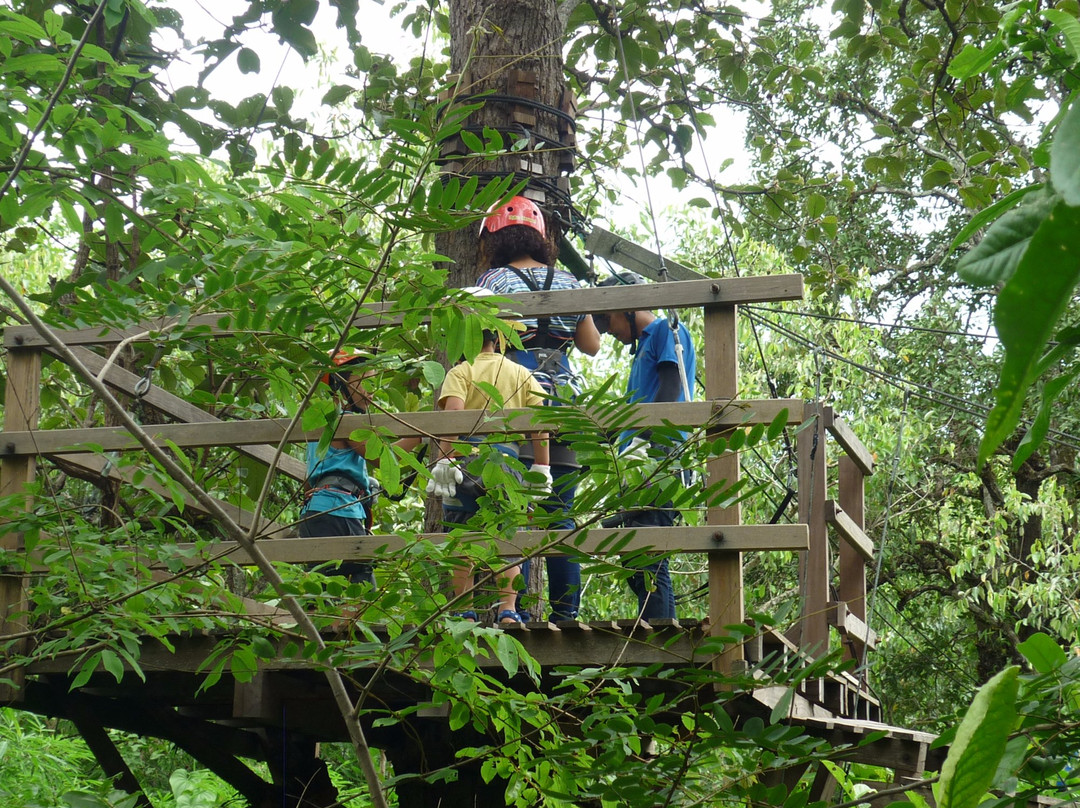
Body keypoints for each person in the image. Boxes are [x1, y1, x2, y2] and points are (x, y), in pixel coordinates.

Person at [474, 195, 600, 622]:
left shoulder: (492, 281)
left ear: (497, 239)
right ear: (541, 239)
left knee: (516, 508)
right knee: (559, 512)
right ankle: (567, 614)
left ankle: (516, 613)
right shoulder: (568, 281)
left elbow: (482, 343)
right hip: (563, 399)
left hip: (514, 396)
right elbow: (591, 345)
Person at [427, 288, 553, 624]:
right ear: (498, 337)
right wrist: (542, 466)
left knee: (461, 536)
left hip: (466, 461)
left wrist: (445, 459)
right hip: (507, 463)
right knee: (505, 536)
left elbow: (454, 416)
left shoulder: (460, 372)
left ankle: (464, 609)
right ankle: (507, 609)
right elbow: (539, 422)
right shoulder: (521, 374)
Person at [591, 271, 697, 621]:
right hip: (638, 458)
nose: (609, 332)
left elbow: (670, 388)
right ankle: (653, 627)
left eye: (608, 320)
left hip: (659, 454)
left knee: (648, 554)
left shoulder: (667, 331)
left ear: (629, 307)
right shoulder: (641, 353)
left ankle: (657, 636)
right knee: (635, 558)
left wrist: (643, 440)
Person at [299, 350, 421, 587]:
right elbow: (381, 459)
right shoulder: (345, 421)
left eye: (372, 383)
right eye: (363, 382)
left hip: (315, 512)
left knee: (322, 583)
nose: (370, 391)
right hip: (339, 511)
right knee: (361, 577)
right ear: (339, 386)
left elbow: (309, 477)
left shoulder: (323, 422)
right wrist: (420, 436)